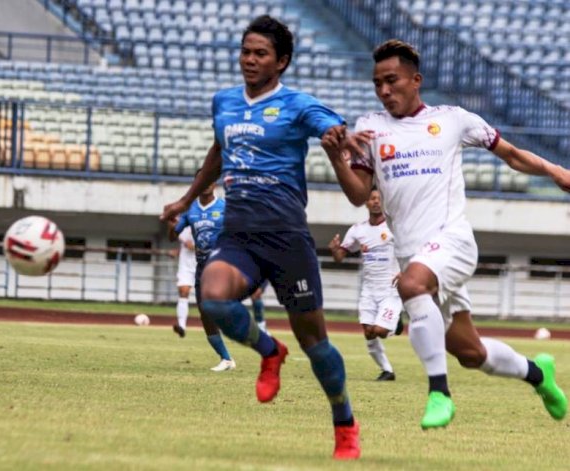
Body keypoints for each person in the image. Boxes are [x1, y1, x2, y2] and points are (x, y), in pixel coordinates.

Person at [321, 39, 569, 430]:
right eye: (377, 84)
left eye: (392, 81)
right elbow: (357, 194)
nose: (384, 91)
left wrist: (555, 171)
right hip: (414, 254)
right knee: (470, 352)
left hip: (452, 242)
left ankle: (439, 392)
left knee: (412, 284)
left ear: (415, 80)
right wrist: (337, 157)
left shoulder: (453, 119)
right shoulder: (370, 128)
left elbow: (510, 154)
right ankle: (539, 374)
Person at [161, 15, 367, 460]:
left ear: (282, 61)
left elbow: (330, 127)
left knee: (317, 345)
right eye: (245, 51)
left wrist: (340, 138)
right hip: (240, 235)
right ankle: (269, 350)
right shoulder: (224, 103)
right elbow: (218, 153)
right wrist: (185, 201)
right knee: (212, 299)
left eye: (260, 54)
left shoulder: (296, 104)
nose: (249, 60)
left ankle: (345, 422)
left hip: (288, 238)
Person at [328, 188, 403, 381]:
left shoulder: (395, 227)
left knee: (381, 331)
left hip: (390, 289)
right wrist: (335, 250)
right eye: (372, 199)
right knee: (369, 333)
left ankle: (396, 322)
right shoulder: (357, 230)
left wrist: (405, 271)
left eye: (379, 198)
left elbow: (413, 248)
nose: (376, 201)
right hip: (369, 289)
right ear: (366, 203)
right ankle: (387, 370)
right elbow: (340, 256)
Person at [168, 178, 236, 372]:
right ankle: (226, 359)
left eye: (207, 180)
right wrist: (171, 224)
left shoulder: (225, 206)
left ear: (214, 184)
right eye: (201, 181)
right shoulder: (190, 210)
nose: (205, 183)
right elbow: (173, 236)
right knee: (205, 316)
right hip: (201, 268)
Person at [172, 226, 196, 338]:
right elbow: (180, 240)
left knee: (210, 297)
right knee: (183, 292)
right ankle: (182, 326)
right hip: (185, 265)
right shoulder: (184, 225)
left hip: (204, 264)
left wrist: (196, 247)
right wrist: (177, 252)